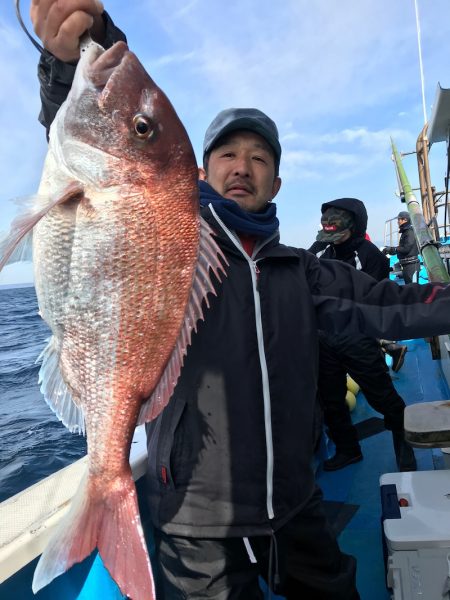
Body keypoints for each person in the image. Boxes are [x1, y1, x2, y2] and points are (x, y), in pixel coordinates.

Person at [28, 3, 450, 598]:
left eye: (259, 157)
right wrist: (84, 49)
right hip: (197, 523)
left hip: (295, 501)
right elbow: (114, 159)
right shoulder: (174, 247)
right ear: (200, 172)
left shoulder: (304, 271)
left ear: (278, 181)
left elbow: (394, 304)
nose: (242, 167)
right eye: (228, 154)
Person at [309, 200, 416, 472]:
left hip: (356, 337)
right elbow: (303, 278)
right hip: (325, 338)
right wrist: (315, 249)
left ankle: (404, 443)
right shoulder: (323, 252)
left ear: (355, 227)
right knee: (331, 399)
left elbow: (371, 298)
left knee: (382, 395)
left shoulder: (370, 256)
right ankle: (348, 449)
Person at [383, 211, 420, 284]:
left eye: (399, 219)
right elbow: (402, 248)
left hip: (411, 266)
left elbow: (406, 248)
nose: (398, 222)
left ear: (405, 220)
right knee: (409, 287)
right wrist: (391, 250)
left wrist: (394, 249)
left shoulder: (410, 232)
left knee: (412, 288)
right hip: (407, 265)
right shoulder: (406, 232)